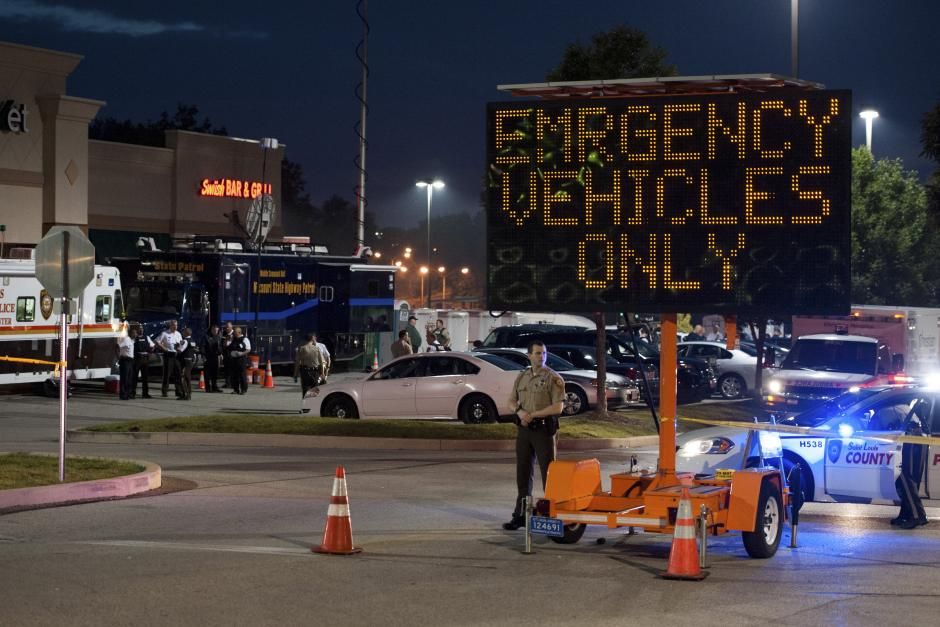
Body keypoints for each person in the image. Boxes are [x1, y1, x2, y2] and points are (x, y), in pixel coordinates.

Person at [503, 340, 565, 531]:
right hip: (524, 430)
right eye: (537, 353)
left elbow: (559, 406)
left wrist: (534, 415)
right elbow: (511, 401)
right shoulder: (522, 377)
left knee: (549, 473)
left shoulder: (553, 378)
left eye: (544, 353)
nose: (541, 356)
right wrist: (520, 412)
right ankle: (521, 514)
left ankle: (551, 515)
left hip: (543, 430)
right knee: (523, 473)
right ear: (529, 355)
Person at [893, 401, 929, 529]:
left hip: (911, 438)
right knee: (910, 479)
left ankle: (917, 516)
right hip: (918, 437)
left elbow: (875, 426)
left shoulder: (888, 408)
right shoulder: (904, 405)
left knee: (906, 478)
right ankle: (906, 514)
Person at [294, 333, 325, 399]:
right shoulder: (317, 348)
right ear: (312, 339)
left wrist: (296, 374)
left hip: (305, 372)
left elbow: (297, 363)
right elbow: (321, 362)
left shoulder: (302, 349)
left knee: (305, 390)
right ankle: (313, 406)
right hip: (315, 372)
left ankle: (305, 407)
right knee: (314, 391)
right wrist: (322, 373)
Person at [156, 320, 182, 397]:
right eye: (174, 325)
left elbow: (180, 343)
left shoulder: (178, 334)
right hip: (168, 355)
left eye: (176, 325)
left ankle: (178, 391)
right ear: (170, 326)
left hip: (176, 355)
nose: (175, 327)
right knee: (167, 374)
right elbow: (157, 341)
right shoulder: (165, 333)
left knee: (178, 373)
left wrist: (180, 347)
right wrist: (164, 348)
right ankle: (164, 391)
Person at [132, 325, 153, 399]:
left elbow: (152, 345)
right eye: (140, 329)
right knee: (134, 377)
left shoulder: (147, 337)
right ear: (137, 330)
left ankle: (145, 393)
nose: (141, 330)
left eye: (142, 329)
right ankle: (132, 393)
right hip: (137, 359)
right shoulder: (134, 338)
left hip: (145, 359)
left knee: (145, 377)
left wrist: (150, 351)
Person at [228, 326, 251, 394]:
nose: (233, 333)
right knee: (234, 375)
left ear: (239, 332)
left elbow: (248, 349)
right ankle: (236, 389)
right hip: (234, 359)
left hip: (241, 359)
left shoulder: (245, 339)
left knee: (242, 375)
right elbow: (229, 347)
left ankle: (243, 389)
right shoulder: (233, 339)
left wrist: (241, 353)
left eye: (234, 332)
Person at [201, 325, 223, 393]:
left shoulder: (218, 337)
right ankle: (208, 388)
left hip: (215, 357)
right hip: (207, 357)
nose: (216, 332)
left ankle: (214, 387)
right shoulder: (206, 337)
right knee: (207, 373)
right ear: (211, 330)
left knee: (215, 373)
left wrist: (220, 353)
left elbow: (220, 346)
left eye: (217, 330)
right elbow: (202, 346)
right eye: (214, 330)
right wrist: (203, 355)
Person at [116, 327, 135, 401]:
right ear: (130, 333)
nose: (135, 334)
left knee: (129, 378)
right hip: (125, 360)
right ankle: (123, 395)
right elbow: (117, 346)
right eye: (134, 333)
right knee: (124, 378)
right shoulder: (126, 339)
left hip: (130, 361)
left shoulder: (132, 340)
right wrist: (119, 357)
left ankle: (128, 394)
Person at [176, 327, 195, 400]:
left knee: (184, 378)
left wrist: (176, 347)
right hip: (190, 361)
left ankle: (186, 394)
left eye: (183, 332)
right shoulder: (192, 340)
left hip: (185, 361)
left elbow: (180, 350)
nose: (182, 333)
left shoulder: (185, 341)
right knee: (188, 377)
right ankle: (188, 394)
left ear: (186, 333)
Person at [221, 321, 234, 388]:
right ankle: (227, 383)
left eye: (228, 327)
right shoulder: (224, 333)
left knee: (232, 370)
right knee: (226, 369)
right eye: (226, 327)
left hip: (232, 355)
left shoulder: (234, 334)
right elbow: (222, 343)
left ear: (231, 327)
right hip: (225, 354)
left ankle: (233, 384)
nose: (226, 328)